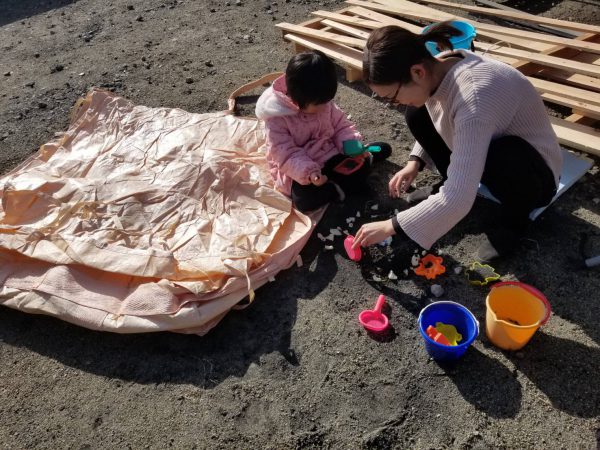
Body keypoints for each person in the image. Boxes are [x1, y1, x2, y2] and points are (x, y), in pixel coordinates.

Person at [353, 23, 562, 261]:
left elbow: (459, 197)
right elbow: (440, 112)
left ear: (417, 72)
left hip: (533, 175)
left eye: (393, 96)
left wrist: (392, 226)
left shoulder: (473, 97)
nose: (395, 103)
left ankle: (514, 224)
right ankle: (450, 180)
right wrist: (416, 161)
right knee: (417, 112)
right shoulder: (438, 66)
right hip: (487, 147)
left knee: (503, 158)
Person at [255, 50, 391, 212]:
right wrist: (310, 173)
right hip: (300, 169)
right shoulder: (277, 119)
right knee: (304, 201)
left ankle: (365, 157)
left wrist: (350, 144)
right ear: (298, 100)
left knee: (356, 166)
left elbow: (341, 125)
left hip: (329, 152)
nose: (325, 107)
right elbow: (286, 155)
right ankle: (337, 186)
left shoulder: (323, 102)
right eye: (319, 104)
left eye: (327, 101)